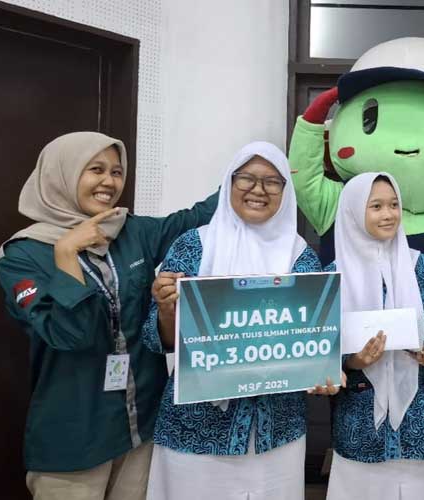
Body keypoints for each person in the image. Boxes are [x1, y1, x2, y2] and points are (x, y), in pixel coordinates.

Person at [0, 131, 218, 499]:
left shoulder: (131, 231)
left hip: (139, 429)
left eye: (116, 172)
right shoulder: (21, 256)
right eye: (95, 169)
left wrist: (257, 169)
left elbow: (197, 217)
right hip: (74, 440)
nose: (109, 182)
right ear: (62, 175)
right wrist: (67, 254)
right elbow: (70, 334)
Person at [143, 141, 335, 500]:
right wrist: (168, 309)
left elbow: (313, 341)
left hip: (275, 431)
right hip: (196, 428)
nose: (258, 190)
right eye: (246, 178)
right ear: (229, 183)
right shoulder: (194, 245)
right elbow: (159, 339)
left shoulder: (300, 259)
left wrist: (321, 370)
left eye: (272, 182)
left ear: (285, 191)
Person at [324, 172, 424, 500]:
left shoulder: (422, 267)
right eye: (375, 206)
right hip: (359, 429)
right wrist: (353, 361)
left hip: (419, 426)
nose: (388, 214)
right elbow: (323, 351)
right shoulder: (334, 274)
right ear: (352, 212)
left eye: (394, 205)